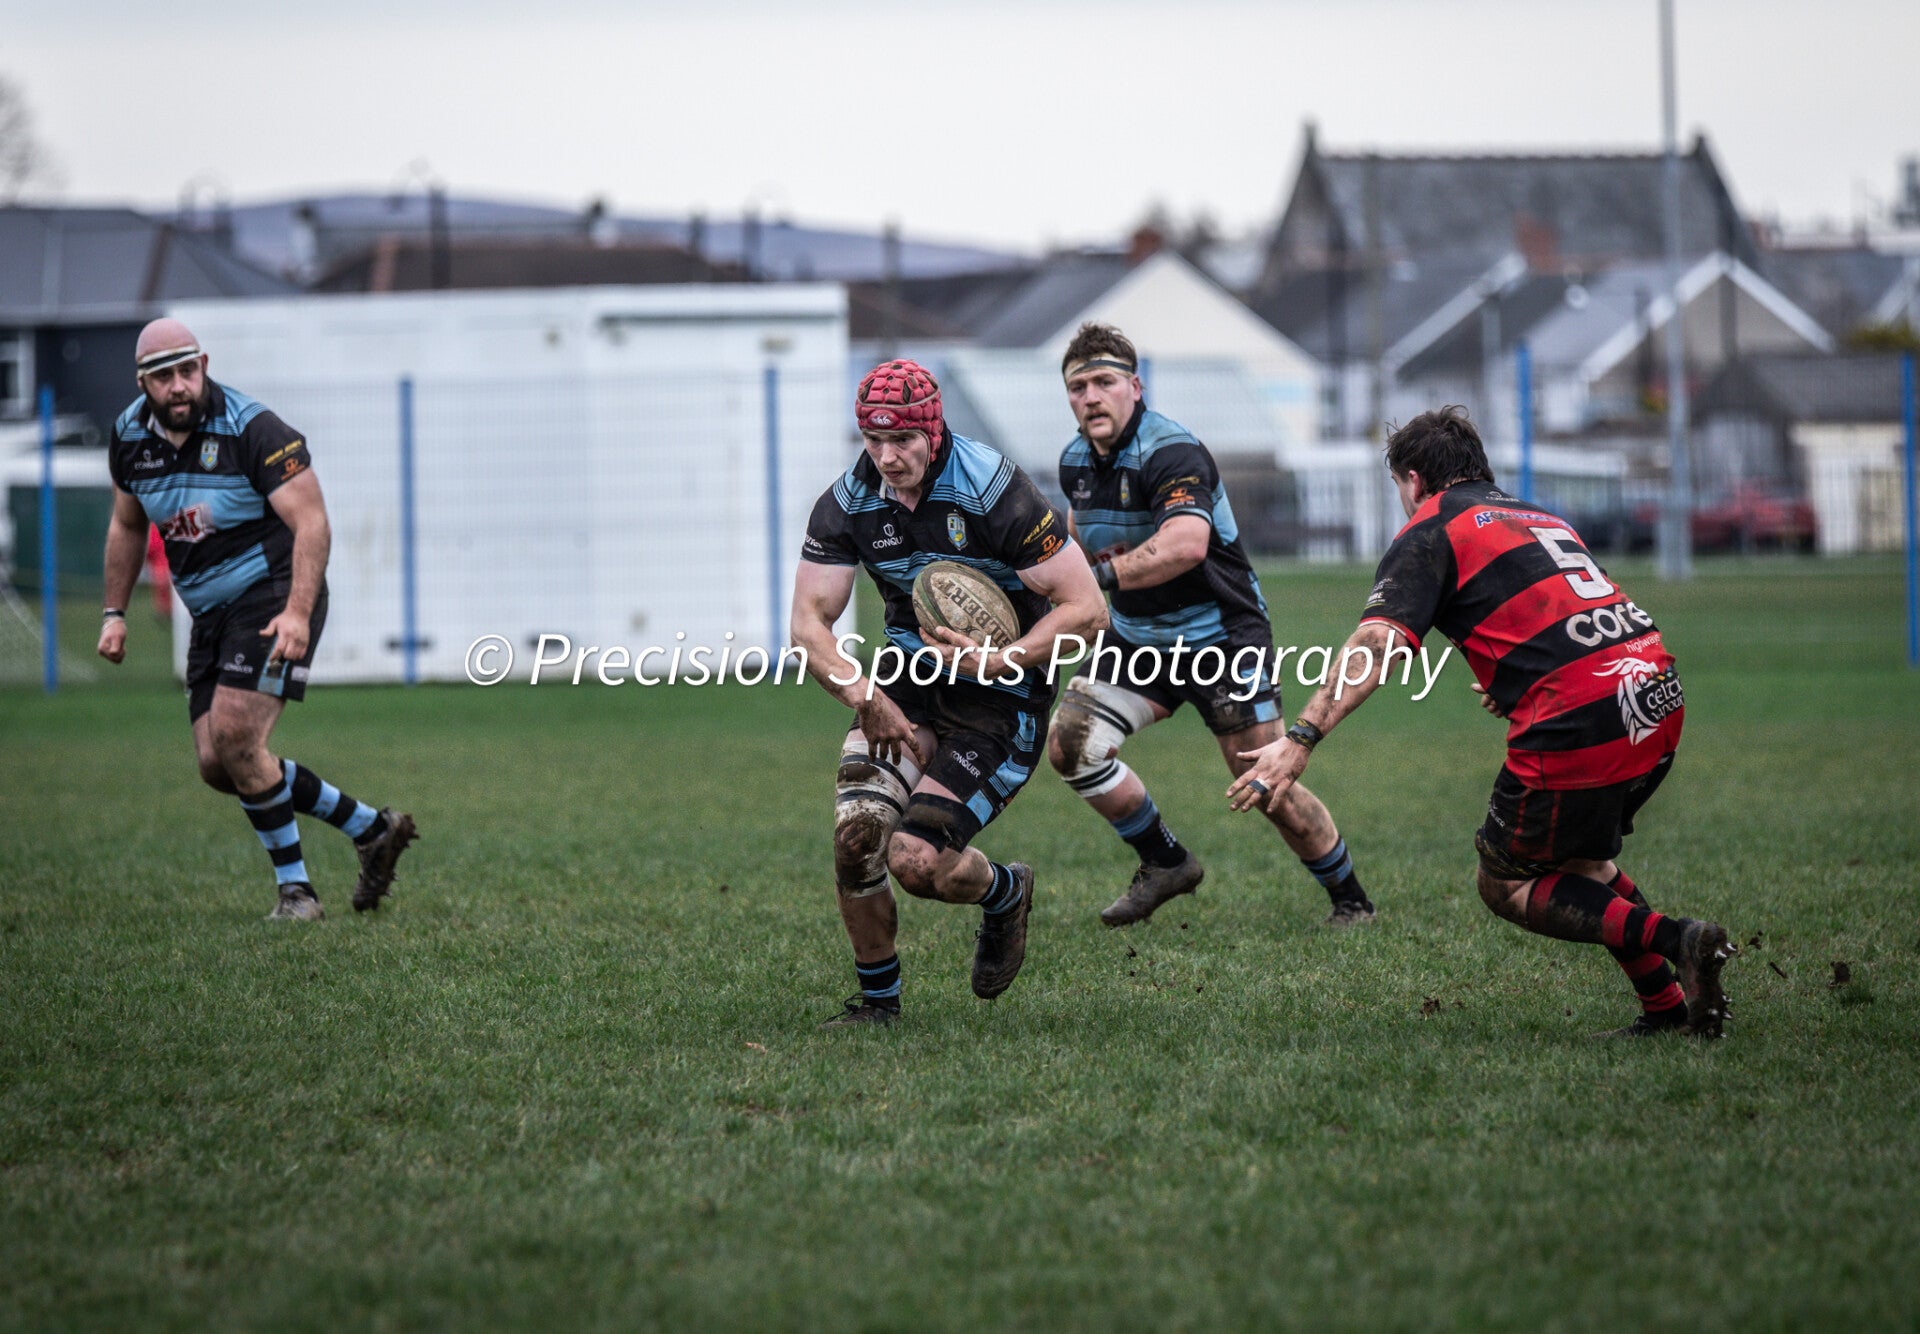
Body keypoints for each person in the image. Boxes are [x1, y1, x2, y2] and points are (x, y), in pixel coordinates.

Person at [1228, 406, 1733, 1038]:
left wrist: (1299, 739)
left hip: (1580, 714)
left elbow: (1376, 645)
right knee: (1582, 866)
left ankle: (1680, 939)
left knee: (1506, 882)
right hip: (1654, 693)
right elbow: (1573, 611)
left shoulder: (1432, 528)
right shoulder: (1538, 516)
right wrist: (1519, 676)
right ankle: (1666, 1010)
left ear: (1413, 481)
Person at [790, 358, 1107, 1025]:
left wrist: (1002, 660)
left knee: (915, 862)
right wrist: (864, 696)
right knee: (857, 839)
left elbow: (1087, 610)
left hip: (1000, 700)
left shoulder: (995, 491)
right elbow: (807, 623)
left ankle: (1003, 892)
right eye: (873, 442)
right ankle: (879, 1007)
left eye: (902, 440)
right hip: (907, 684)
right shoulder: (850, 501)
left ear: (933, 430)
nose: (888, 456)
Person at [1047, 323, 1377, 927]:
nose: (1090, 397)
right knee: (1071, 744)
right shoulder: (1075, 462)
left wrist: (1101, 580)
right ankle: (1165, 861)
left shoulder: (1171, 450)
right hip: (1137, 638)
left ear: (1134, 386)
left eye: (1103, 382)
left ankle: (1351, 900)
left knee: (1262, 780)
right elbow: (1074, 546)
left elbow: (1186, 544)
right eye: (1077, 387)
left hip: (1219, 636)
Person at [98, 318, 417, 922]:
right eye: (163, 377)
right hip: (210, 614)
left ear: (205, 365)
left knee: (238, 735)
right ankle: (372, 828)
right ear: (143, 382)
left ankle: (296, 895)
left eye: (188, 371)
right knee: (219, 765)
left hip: (271, 595)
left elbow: (313, 523)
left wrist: (297, 612)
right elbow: (127, 524)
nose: (179, 387)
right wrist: (115, 613)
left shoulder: (254, 428)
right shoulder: (127, 438)